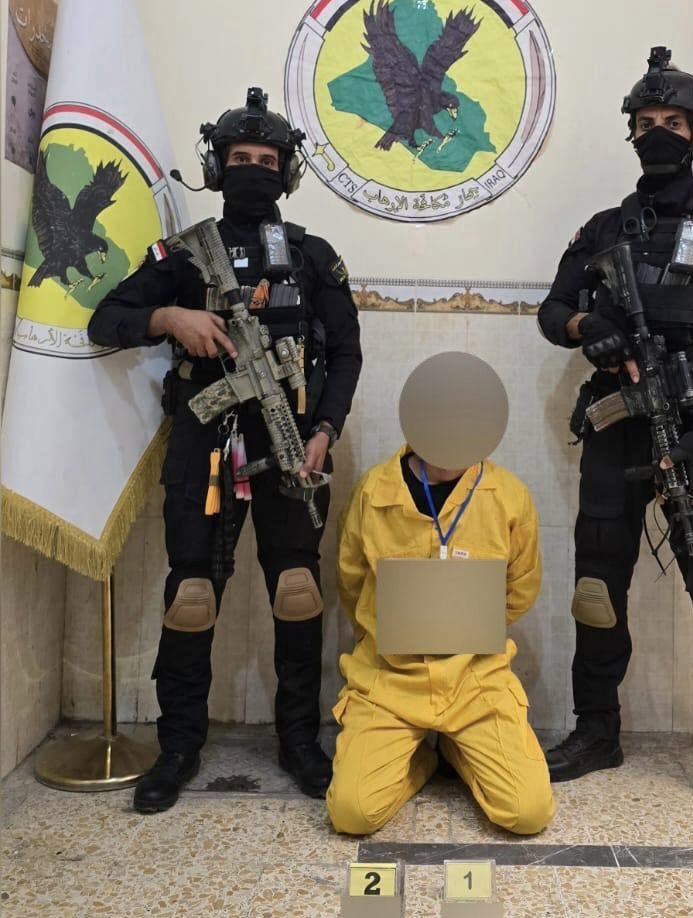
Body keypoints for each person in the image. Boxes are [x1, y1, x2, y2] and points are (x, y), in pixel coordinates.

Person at [88, 86, 362, 813]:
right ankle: (178, 745)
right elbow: (105, 319)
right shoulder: (184, 256)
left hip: (293, 445)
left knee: (297, 591)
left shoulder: (312, 256)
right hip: (204, 445)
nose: (253, 171)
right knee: (191, 596)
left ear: (286, 172)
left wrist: (325, 430)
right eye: (240, 158)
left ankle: (299, 740)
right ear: (217, 166)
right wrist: (169, 316)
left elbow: (346, 353)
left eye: (267, 161)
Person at [537, 47, 693, 829]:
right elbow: (553, 311)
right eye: (645, 123)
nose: (658, 134)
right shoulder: (605, 228)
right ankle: (596, 731)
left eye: (673, 121)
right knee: (596, 590)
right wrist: (589, 326)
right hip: (618, 428)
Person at [326, 352, 555, 836]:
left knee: (528, 812)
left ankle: (455, 746)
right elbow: (352, 583)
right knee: (351, 813)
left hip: (476, 679)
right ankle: (422, 762)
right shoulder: (374, 492)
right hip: (389, 680)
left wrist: (468, 630)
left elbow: (520, 589)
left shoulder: (509, 497)